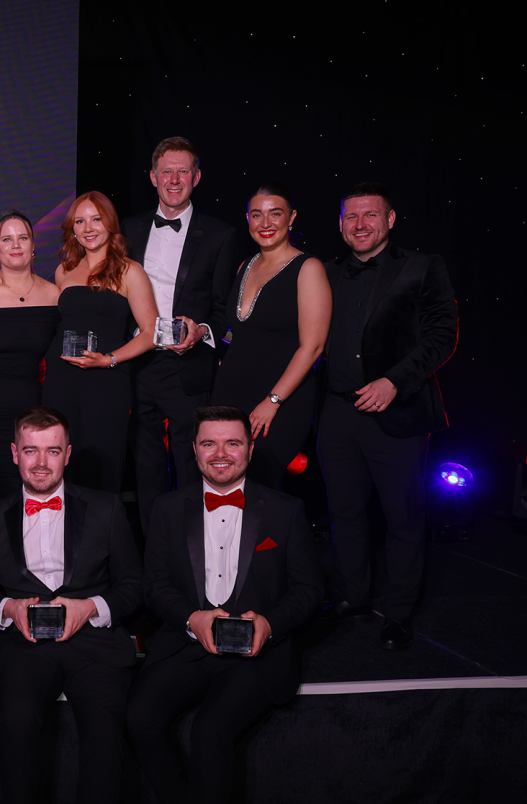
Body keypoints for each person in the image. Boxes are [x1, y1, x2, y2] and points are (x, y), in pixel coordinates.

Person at [127, 406, 323, 804]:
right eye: (209, 443)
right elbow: (155, 584)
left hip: (257, 655)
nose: (221, 453)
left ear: (250, 450)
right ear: (194, 451)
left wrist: (269, 623)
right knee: (139, 719)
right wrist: (190, 618)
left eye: (232, 443)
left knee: (211, 730)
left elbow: (309, 589)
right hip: (186, 646)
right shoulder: (166, 509)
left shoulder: (286, 510)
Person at [0, 406, 142, 804]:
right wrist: (8, 609)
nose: (41, 462)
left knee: (104, 733)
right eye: (31, 451)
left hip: (95, 645)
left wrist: (91, 607)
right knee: (15, 726)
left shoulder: (107, 508)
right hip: (24, 646)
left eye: (52, 451)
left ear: (67, 454)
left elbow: (136, 584)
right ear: (15, 453)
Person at [318, 183, 458, 650]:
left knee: (402, 517)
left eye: (370, 215)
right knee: (345, 514)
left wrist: (394, 381)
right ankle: (353, 597)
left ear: (391, 219)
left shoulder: (422, 266)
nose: (360, 225)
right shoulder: (324, 273)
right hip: (337, 412)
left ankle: (398, 613)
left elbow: (442, 335)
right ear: (340, 224)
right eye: (351, 217)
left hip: (397, 409)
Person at [123, 137, 238, 532]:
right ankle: (153, 556)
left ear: (197, 177)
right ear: (153, 177)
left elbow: (225, 309)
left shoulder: (221, 235)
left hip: (188, 364)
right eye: (166, 171)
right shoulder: (127, 230)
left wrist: (202, 330)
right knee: (145, 464)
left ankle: (193, 548)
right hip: (137, 362)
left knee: (193, 463)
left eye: (183, 171)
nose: (174, 180)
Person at [211, 183, 332, 486]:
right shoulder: (245, 265)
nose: (265, 224)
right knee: (225, 484)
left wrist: (273, 401)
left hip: (280, 400)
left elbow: (313, 346)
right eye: (256, 215)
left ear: (291, 218)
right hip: (230, 395)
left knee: (260, 485)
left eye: (274, 214)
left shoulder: (308, 268)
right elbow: (238, 331)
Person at [43, 191, 161, 492]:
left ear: (110, 223)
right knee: (58, 467)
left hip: (106, 383)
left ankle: (99, 539)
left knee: (100, 470)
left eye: (96, 219)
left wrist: (108, 359)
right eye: (80, 221)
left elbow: (151, 332)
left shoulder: (129, 271)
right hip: (62, 382)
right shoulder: (64, 271)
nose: (88, 228)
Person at [0, 210, 61, 511]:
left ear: (33, 246)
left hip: (29, 418)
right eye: (7, 239)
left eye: (22, 237)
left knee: (26, 500)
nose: (15, 245)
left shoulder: (54, 296)